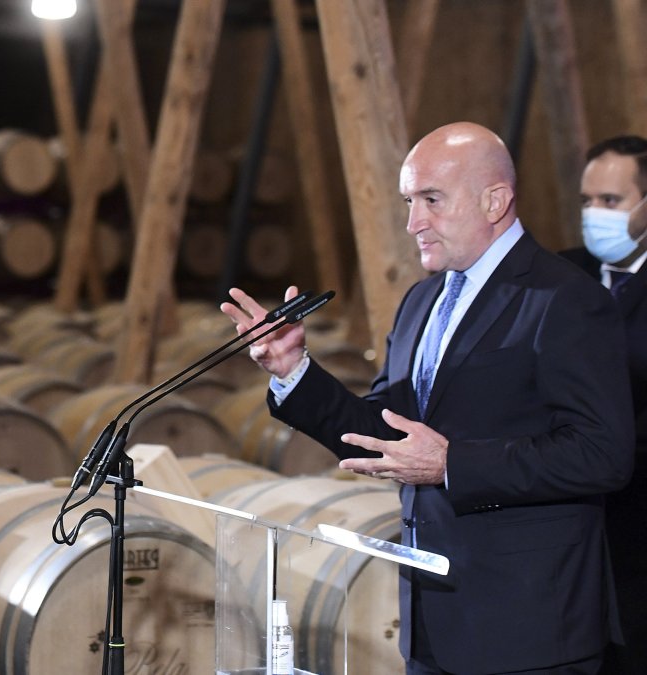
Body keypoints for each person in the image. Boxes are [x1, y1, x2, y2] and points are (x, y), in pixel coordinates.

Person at [221, 121, 634, 674]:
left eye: (432, 200)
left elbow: (602, 453)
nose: (414, 222)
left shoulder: (563, 297)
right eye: (409, 201)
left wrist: (451, 464)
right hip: (431, 622)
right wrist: (294, 370)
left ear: (495, 200)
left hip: (529, 628)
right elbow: (386, 433)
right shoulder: (421, 301)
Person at [559, 135, 647, 675]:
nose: (595, 215)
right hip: (570, 527)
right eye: (588, 201)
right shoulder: (559, 276)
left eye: (611, 202)